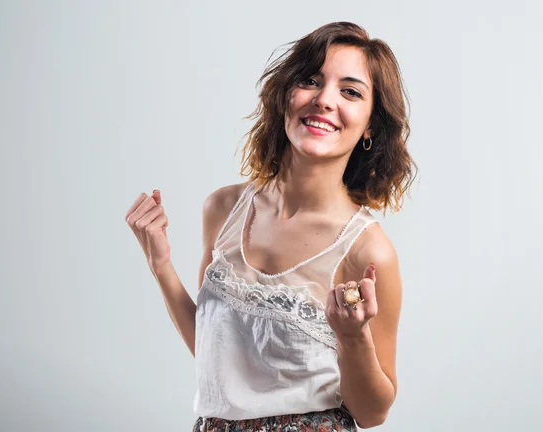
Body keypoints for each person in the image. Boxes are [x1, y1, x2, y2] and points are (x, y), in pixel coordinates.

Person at [125, 21, 417, 431]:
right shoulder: (223, 208)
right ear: (286, 96)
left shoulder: (368, 251)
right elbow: (218, 359)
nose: (323, 100)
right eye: (311, 80)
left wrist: (352, 338)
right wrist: (161, 265)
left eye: (349, 91)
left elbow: (372, 414)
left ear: (370, 124)